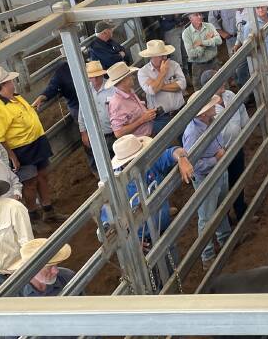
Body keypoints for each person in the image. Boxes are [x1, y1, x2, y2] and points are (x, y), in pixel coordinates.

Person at [0, 66, 68, 223]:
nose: (13, 82)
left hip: (35, 142)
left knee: (41, 176)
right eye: (10, 80)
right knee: (29, 182)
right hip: (21, 149)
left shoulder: (14, 97)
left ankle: (48, 210)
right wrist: (13, 157)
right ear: (4, 84)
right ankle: (33, 215)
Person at [103, 135, 193, 259]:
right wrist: (130, 243)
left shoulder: (148, 163)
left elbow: (173, 151)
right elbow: (107, 226)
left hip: (164, 232)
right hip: (142, 245)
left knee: (173, 267)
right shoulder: (115, 187)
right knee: (154, 275)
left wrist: (182, 158)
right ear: (127, 162)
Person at [181, 96, 232, 267]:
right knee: (206, 217)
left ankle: (225, 240)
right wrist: (216, 159)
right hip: (207, 177)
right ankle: (207, 255)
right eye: (211, 105)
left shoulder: (209, 122)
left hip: (219, 171)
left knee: (220, 207)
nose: (215, 106)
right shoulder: (192, 133)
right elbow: (192, 164)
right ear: (203, 113)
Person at [199, 70, 248, 222]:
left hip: (236, 146)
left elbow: (242, 111)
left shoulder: (230, 95)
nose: (222, 83)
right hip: (220, 153)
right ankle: (225, 219)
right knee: (222, 187)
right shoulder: (205, 108)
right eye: (217, 81)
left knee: (238, 179)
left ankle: (241, 211)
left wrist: (245, 128)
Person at [77, 60, 117, 169]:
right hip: (97, 134)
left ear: (102, 74)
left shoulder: (113, 88)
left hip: (114, 132)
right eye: (92, 77)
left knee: (117, 159)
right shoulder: (85, 91)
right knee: (103, 162)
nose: (94, 79)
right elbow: (82, 113)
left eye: (97, 76)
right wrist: (83, 133)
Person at [137, 39, 186, 130]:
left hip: (180, 111)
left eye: (165, 55)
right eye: (161, 56)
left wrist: (157, 85)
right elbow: (152, 91)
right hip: (161, 118)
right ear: (151, 57)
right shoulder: (143, 72)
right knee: (166, 144)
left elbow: (182, 85)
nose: (164, 58)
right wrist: (162, 73)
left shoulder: (174, 65)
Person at [105, 62, 155, 139]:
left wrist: (146, 114)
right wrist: (142, 119)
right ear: (123, 81)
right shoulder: (116, 103)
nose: (133, 77)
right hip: (140, 142)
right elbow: (118, 133)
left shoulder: (129, 91)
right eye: (129, 76)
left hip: (147, 136)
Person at [149, 0, 185, 66]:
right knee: (177, 59)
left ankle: (186, 76)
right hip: (171, 30)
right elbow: (168, 16)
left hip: (179, 26)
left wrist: (175, 14)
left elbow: (181, 4)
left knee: (185, 55)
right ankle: (180, 78)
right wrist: (176, 14)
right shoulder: (156, 0)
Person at [182, 11, 222, 86]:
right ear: (190, 18)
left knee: (222, 85)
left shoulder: (209, 26)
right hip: (198, 66)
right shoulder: (186, 33)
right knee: (200, 92)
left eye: (200, 14)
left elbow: (219, 40)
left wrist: (202, 42)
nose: (200, 16)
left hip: (214, 62)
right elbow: (191, 54)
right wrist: (206, 42)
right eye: (196, 15)